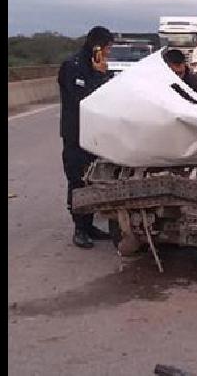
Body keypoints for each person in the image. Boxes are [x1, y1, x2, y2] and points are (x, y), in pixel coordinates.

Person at [58, 26, 115, 249]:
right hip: (76, 134)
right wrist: (100, 75)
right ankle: (80, 229)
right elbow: (85, 98)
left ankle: (90, 224)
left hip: (95, 134)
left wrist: (104, 74)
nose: (109, 53)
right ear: (97, 46)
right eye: (107, 48)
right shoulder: (72, 67)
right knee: (77, 180)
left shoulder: (97, 67)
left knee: (93, 179)